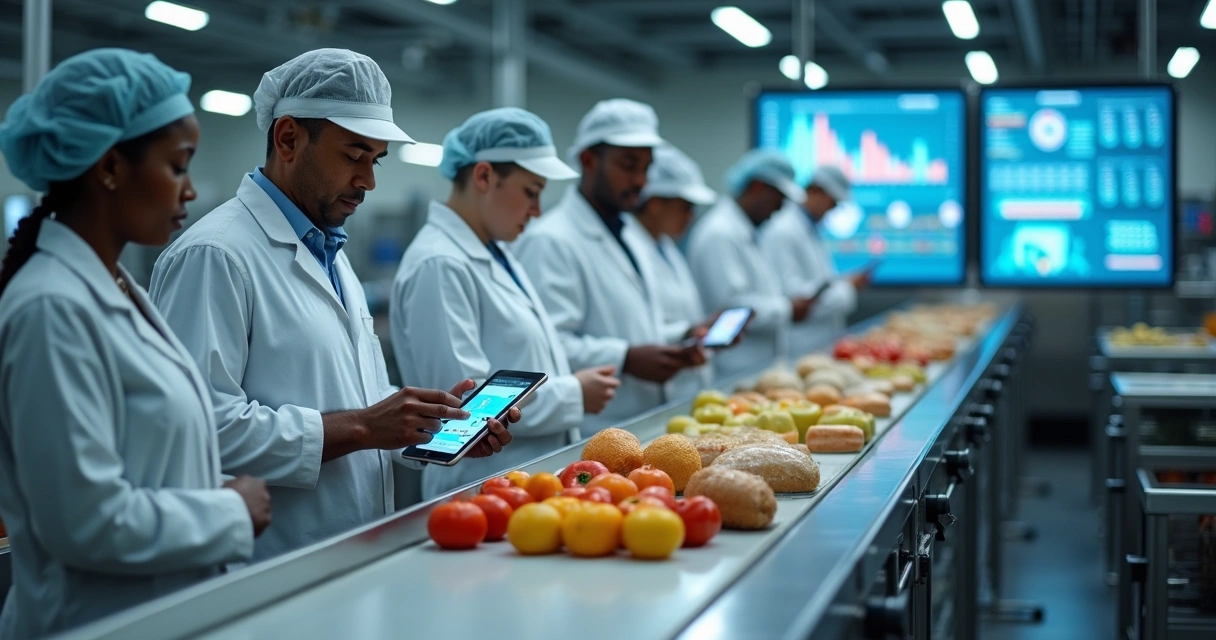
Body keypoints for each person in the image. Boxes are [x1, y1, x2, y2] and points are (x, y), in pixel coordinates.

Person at [148, 49, 516, 561]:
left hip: (347, 553)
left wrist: (428, 423)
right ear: (289, 138)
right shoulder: (215, 255)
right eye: (353, 155)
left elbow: (351, 396)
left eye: (375, 159)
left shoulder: (329, 252)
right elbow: (198, 428)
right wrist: (363, 426)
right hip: (268, 566)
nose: (368, 181)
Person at [0, 49, 271, 638]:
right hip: (92, 623)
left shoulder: (118, 286)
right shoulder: (52, 308)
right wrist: (230, 510)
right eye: (178, 167)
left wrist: (202, 490)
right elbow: (85, 520)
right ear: (110, 168)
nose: (192, 191)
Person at [392, 108, 621, 499]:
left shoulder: (496, 252)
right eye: (531, 192)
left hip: (523, 483)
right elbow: (462, 409)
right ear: (484, 176)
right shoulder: (440, 264)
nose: (537, 210)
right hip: (479, 490)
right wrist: (573, 394)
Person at [514, 99, 707, 434]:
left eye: (646, 168)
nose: (640, 180)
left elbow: (636, 323)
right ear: (589, 160)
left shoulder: (630, 233)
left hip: (642, 421)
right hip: (597, 430)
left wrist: (681, 339)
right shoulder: (551, 239)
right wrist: (626, 359)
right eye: (628, 165)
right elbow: (549, 343)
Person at [686, 149, 818, 378]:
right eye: (778, 200)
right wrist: (787, 308)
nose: (779, 210)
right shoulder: (719, 234)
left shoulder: (748, 232)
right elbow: (730, 308)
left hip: (754, 369)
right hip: (732, 370)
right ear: (757, 187)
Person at [628, 143, 719, 399]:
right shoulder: (633, 247)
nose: (691, 216)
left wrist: (691, 333)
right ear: (655, 203)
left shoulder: (666, 246)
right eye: (686, 206)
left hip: (683, 386)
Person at [761, 165, 871, 358]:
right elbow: (796, 298)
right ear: (816, 191)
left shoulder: (808, 228)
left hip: (818, 345)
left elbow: (820, 283)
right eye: (832, 203)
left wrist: (842, 283)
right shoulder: (783, 230)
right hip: (800, 346)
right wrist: (847, 289)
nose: (832, 210)